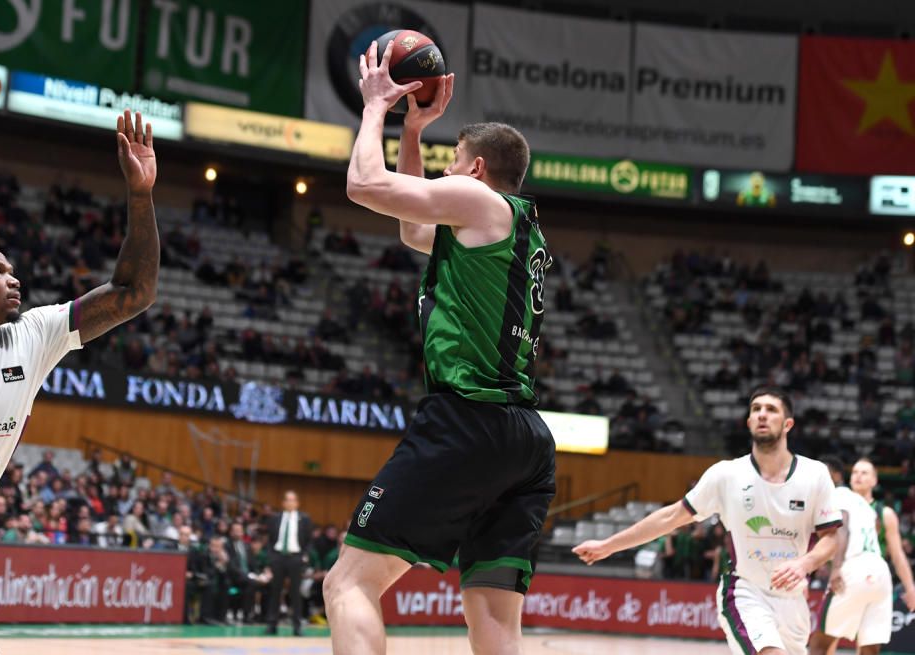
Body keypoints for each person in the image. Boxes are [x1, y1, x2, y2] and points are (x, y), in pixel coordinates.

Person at [323, 39, 556, 655]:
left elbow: (363, 184)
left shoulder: (478, 201)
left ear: (477, 170)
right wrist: (414, 130)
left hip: (467, 423)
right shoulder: (510, 228)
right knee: (495, 620)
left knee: (348, 583)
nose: (446, 168)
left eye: (452, 158)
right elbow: (413, 230)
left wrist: (375, 105)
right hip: (525, 439)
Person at [0, 109, 159, 655]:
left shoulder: (33, 336)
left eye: (11, 269)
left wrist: (140, 197)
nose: (13, 277)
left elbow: (133, 293)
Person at [575, 388, 842, 655]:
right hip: (746, 593)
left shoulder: (815, 474)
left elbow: (830, 538)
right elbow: (671, 517)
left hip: (793, 602)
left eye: (771, 409)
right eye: (756, 409)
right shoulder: (726, 475)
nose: (762, 414)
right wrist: (609, 545)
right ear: (749, 422)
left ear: (788, 424)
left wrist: (803, 563)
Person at [809, 458, 915, 655]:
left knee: (821, 641)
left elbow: (844, 528)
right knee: (870, 645)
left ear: (875, 480)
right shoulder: (866, 509)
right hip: (880, 574)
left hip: (855, 567)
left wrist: (836, 567)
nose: (858, 476)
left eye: (864, 473)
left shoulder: (876, 509)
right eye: (855, 472)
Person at [266, 490, 312, 635]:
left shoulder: (304, 519)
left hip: (295, 558)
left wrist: (304, 555)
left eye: (293, 500)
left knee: (295, 593)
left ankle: (297, 626)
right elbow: (270, 539)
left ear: (297, 503)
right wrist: (271, 557)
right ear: (283, 503)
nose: (290, 502)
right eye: (287, 500)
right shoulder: (276, 518)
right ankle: (272, 625)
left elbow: (309, 540)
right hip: (278, 557)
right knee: (275, 591)